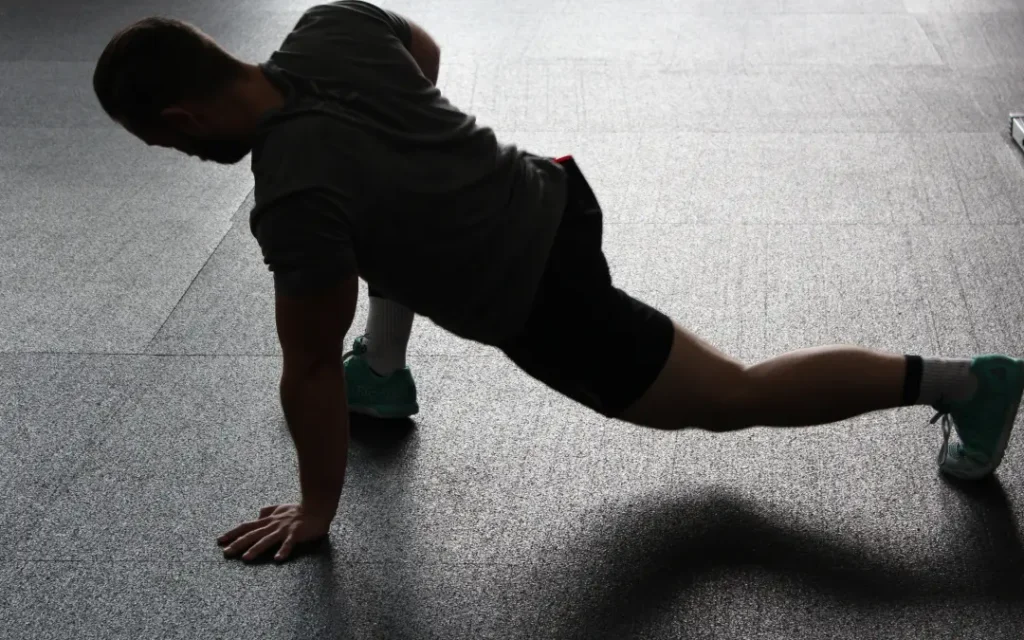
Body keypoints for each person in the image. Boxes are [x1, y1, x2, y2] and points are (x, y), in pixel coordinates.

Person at [92, 0, 1023, 564]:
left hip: (544, 298)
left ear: (180, 116)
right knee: (380, 221)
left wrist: (318, 509)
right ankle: (387, 365)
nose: (179, 154)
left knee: (731, 398)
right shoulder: (332, 26)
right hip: (554, 187)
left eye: (166, 142)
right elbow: (424, 60)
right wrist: (417, 158)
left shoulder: (294, 198)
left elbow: (304, 371)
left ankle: (967, 384)